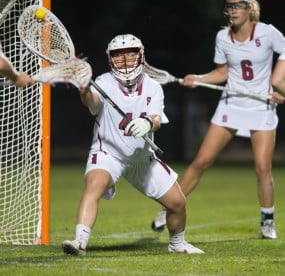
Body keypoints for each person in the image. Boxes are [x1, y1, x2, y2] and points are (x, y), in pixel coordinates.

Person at [151, 0, 285, 239]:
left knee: (262, 167)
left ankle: (267, 219)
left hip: (261, 107)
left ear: (249, 9)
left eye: (238, 6)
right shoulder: (223, 37)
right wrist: (198, 79)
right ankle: (169, 205)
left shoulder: (267, 33)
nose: (233, 10)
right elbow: (222, 72)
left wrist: (280, 83)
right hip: (231, 105)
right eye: (230, 6)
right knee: (200, 162)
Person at [62, 34, 204, 256]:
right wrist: (83, 89)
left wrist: (147, 122)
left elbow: (157, 119)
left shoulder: (154, 87)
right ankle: (79, 242)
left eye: (130, 54)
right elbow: (92, 102)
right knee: (94, 185)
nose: (126, 61)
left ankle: (177, 244)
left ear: (141, 56)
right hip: (108, 152)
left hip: (142, 159)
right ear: (110, 59)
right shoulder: (102, 82)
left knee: (178, 203)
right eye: (119, 56)